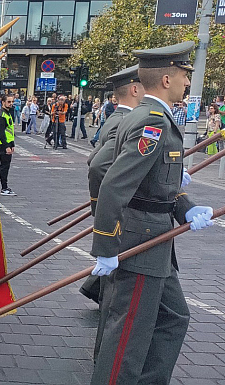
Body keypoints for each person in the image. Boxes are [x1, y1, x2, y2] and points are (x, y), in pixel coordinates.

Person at [90, 41, 214, 385]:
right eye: (184, 75)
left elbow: (146, 179)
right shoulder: (153, 124)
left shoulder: (148, 117)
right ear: (166, 79)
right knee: (129, 330)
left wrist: (186, 209)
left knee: (174, 317)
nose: (188, 83)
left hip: (155, 239)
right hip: (143, 239)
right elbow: (111, 184)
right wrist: (105, 244)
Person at [82, 65, 144, 306]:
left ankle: (94, 288)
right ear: (135, 89)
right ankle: (100, 293)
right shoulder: (125, 120)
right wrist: (100, 207)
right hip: (125, 208)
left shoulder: (117, 117)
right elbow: (97, 166)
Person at [0, 95, 16, 196]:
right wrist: (6, 146)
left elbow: (10, 130)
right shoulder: (1, 115)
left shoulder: (7, 113)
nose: (11, 104)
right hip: (2, 144)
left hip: (7, 143)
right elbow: (1, 133)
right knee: (5, 166)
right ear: (3, 102)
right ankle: (4, 188)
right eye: (9, 102)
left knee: (4, 165)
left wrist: (12, 144)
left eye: (12, 102)